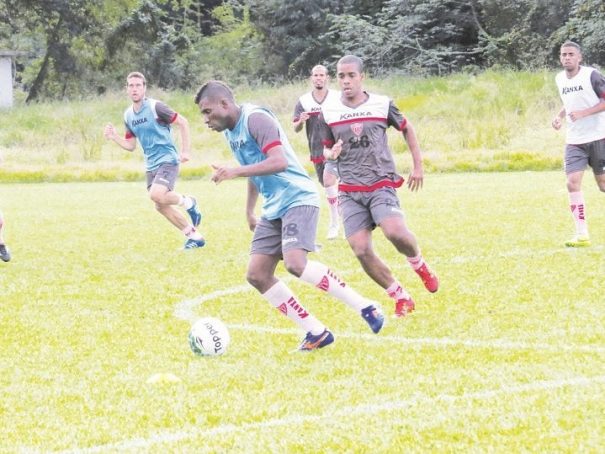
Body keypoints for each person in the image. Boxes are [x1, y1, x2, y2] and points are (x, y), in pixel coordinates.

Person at [194, 80, 384, 351]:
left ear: (225, 104)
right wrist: (249, 210)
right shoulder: (230, 131)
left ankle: (365, 306)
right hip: (274, 206)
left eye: (207, 111)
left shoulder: (256, 119)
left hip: (298, 197)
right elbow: (255, 168)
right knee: (257, 274)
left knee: (296, 264)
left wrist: (234, 171)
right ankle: (315, 332)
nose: (205, 119)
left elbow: (278, 161)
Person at [317, 55, 439, 318]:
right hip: (349, 189)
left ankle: (419, 264)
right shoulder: (328, 111)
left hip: (380, 182)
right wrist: (332, 153)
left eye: (351, 75)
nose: (346, 81)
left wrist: (418, 166)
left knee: (395, 232)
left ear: (362, 77)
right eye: (341, 76)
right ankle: (400, 296)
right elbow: (325, 151)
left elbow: (407, 128)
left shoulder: (382, 104)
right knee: (360, 249)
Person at [104, 71, 205, 249]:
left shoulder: (155, 107)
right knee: (160, 205)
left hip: (167, 159)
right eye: (131, 86)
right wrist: (114, 137)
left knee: (156, 195)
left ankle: (190, 202)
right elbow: (130, 145)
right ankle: (194, 236)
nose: (134, 89)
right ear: (126, 89)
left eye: (138, 85)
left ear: (144, 88)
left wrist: (186, 151)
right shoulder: (128, 115)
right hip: (151, 164)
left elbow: (183, 122)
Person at [552, 41, 605, 247]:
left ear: (579, 57)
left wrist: (584, 113)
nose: (567, 57)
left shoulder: (591, 75)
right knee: (572, 182)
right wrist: (559, 116)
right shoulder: (559, 79)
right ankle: (582, 234)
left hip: (599, 137)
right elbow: (569, 102)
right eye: (563, 54)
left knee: (602, 185)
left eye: (571, 54)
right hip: (574, 141)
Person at [293, 65, 341, 239]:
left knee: (329, 182)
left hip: (336, 148)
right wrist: (300, 121)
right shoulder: (304, 101)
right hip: (316, 149)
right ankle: (343, 214)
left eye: (322, 75)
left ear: (327, 78)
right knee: (328, 185)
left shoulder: (337, 97)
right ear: (311, 78)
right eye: (315, 75)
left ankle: (334, 224)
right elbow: (295, 128)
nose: (319, 78)